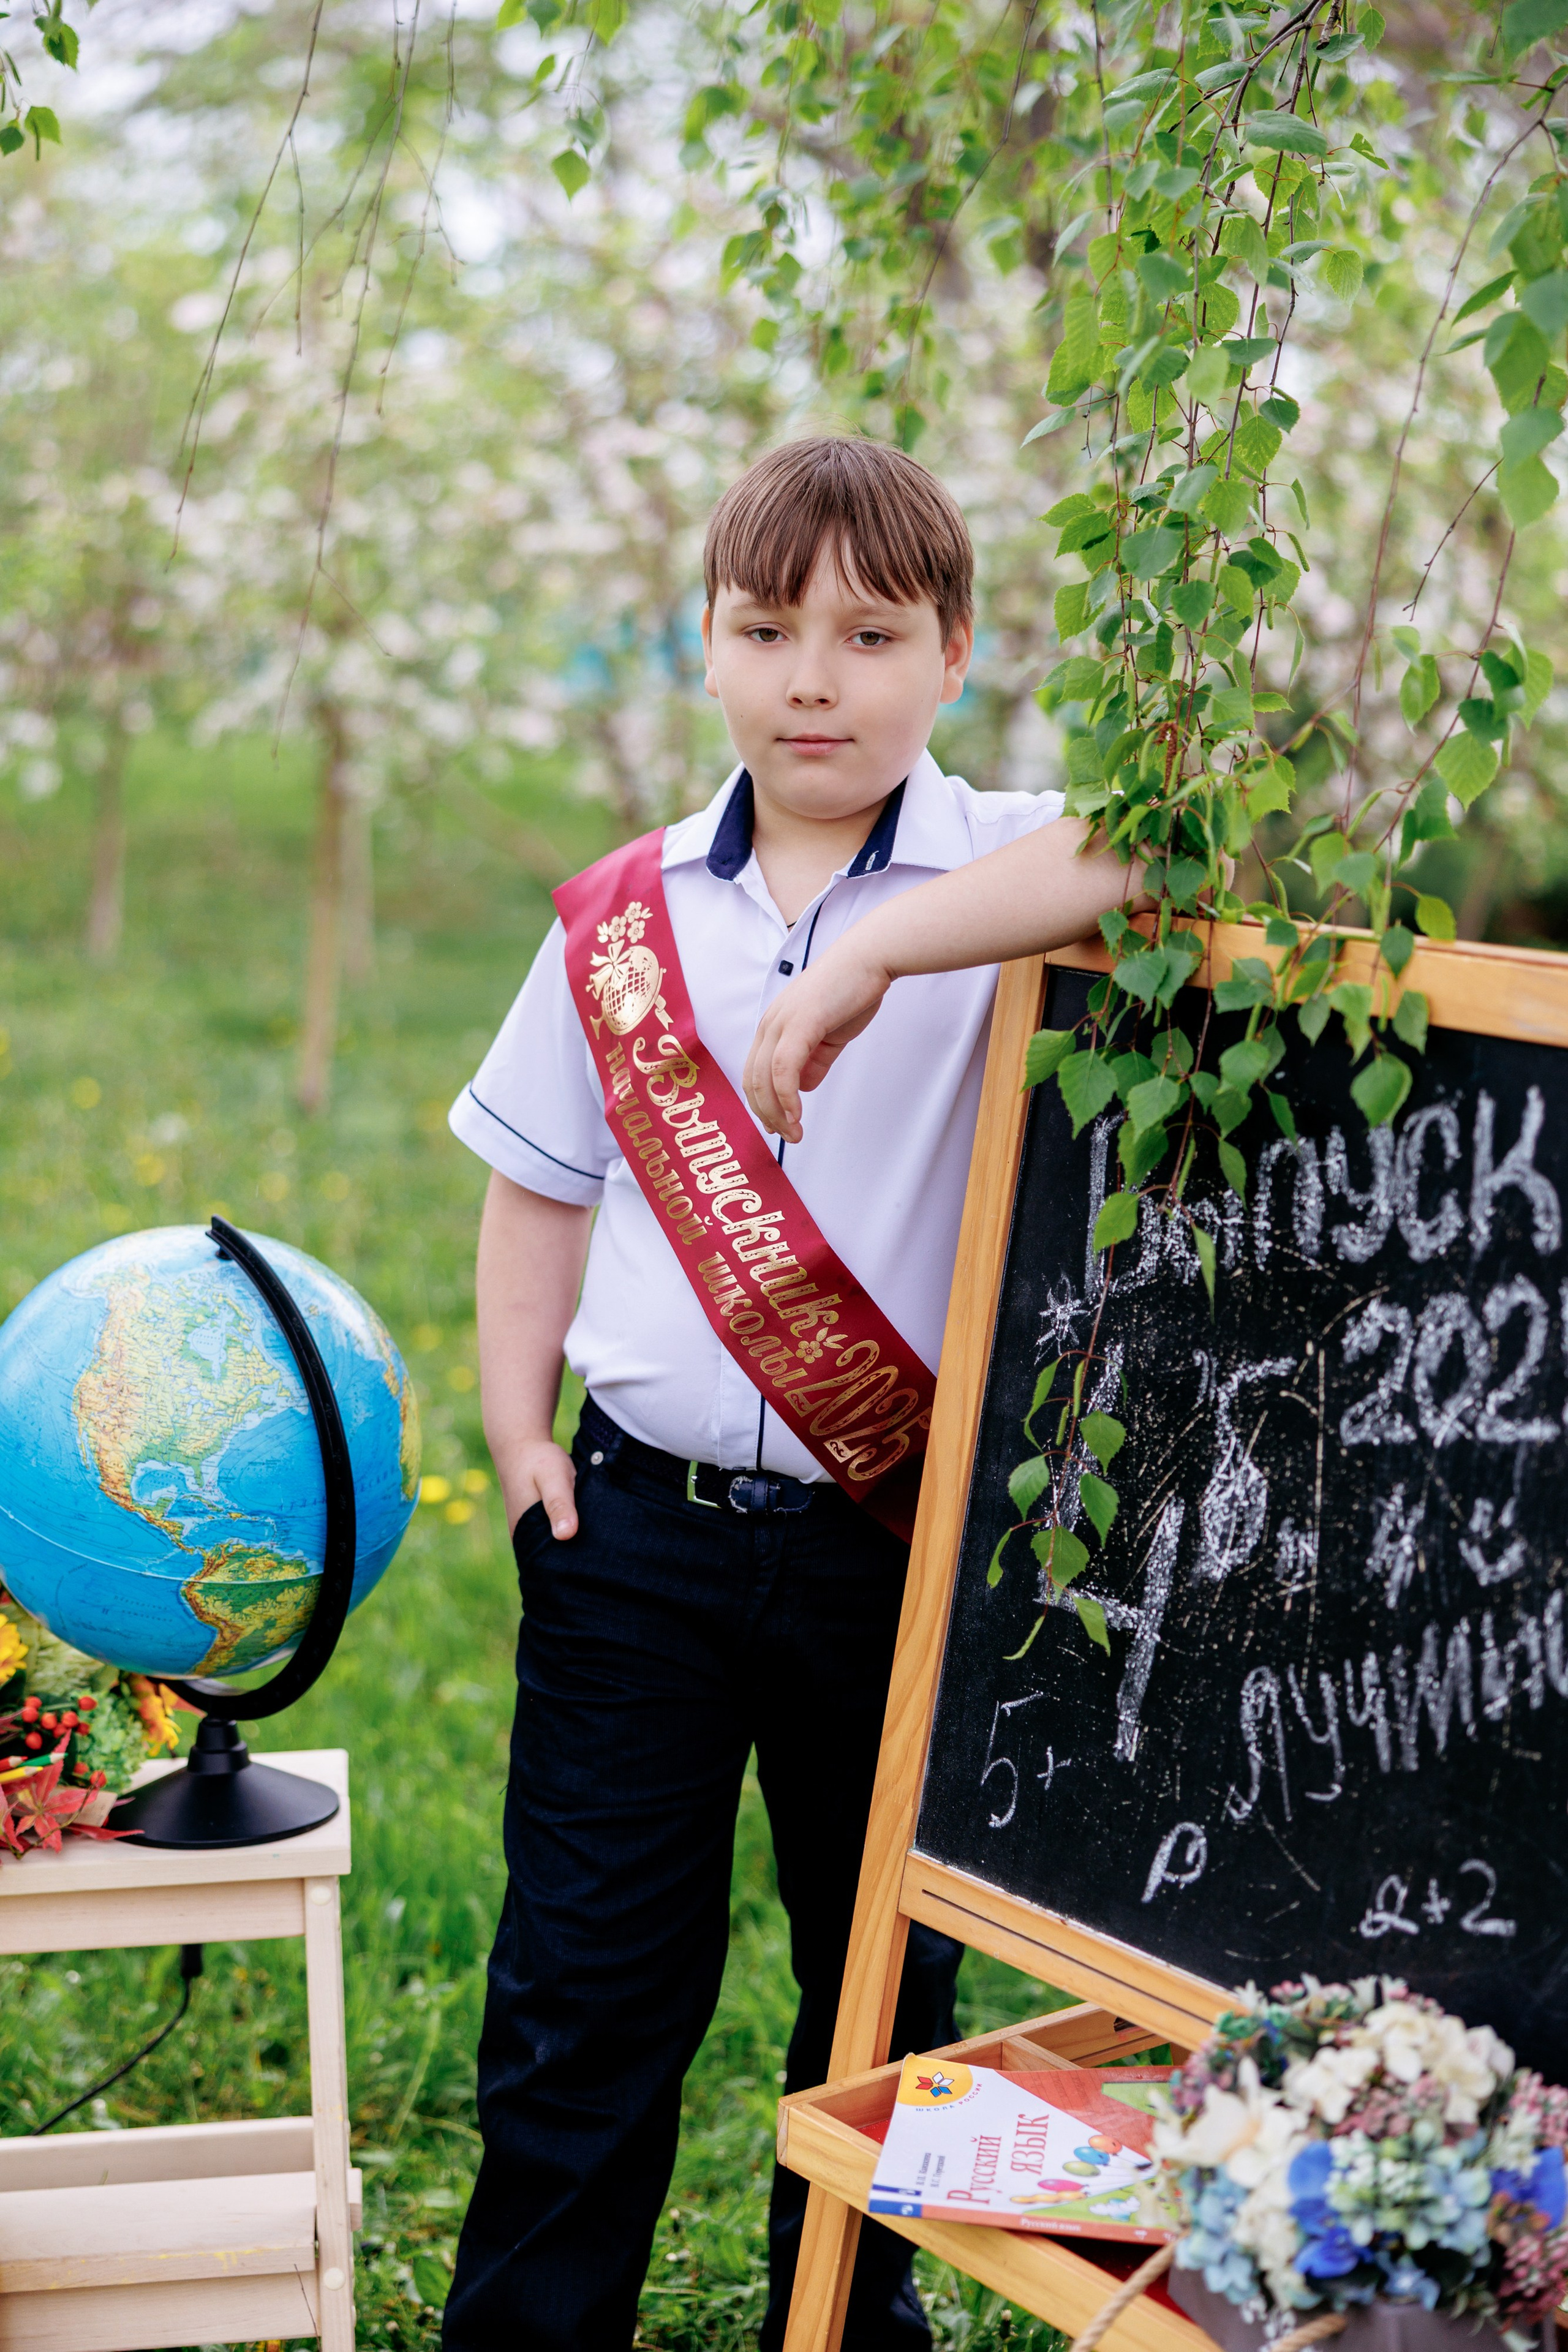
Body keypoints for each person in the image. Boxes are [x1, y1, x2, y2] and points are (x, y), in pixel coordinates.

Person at [443, 434, 1146, 2352]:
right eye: (767, 631)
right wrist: (520, 1446)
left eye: (869, 633)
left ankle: (846, 2328)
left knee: (877, 2007)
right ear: (705, 648)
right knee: (584, 1999)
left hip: (890, 1547)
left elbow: (1176, 832)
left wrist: (882, 957)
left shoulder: (1021, 860)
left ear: (955, 653)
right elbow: (539, 1192)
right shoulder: (621, 915)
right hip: (637, 1538)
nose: (813, 678)